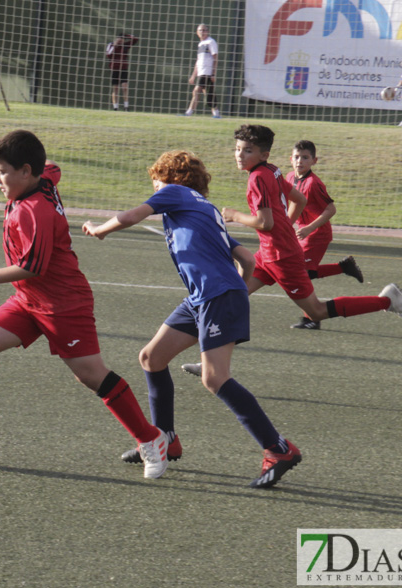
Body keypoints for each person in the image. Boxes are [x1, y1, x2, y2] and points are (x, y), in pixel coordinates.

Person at [0, 130, 172, 480]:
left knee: (91, 375)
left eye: (2, 172)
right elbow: (53, 167)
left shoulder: (34, 211)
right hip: (29, 299)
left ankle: (151, 438)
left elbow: (33, 266)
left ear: (25, 171)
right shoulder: (42, 179)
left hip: (63, 303)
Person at [82, 151, 301, 488]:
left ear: (169, 177)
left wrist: (100, 230)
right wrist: (235, 290)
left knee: (214, 378)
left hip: (215, 296)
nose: (154, 187)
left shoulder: (174, 192)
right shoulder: (204, 207)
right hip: (204, 297)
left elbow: (131, 216)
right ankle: (166, 439)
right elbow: (247, 259)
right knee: (151, 358)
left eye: (156, 179)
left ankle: (278, 448)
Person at [179, 125, 402, 374]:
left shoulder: (258, 177)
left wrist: (235, 216)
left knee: (315, 311)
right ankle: (210, 362)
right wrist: (285, 228)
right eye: (237, 149)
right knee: (231, 299)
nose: (239, 155)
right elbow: (299, 201)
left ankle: (386, 300)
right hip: (269, 254)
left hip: (281, 258)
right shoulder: (271, 171)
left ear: (263, 154)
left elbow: (265, 222)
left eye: (247, 150)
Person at [286, 140, 366, 329]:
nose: (300, 161)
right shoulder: (289, 177)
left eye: (305, 158)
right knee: (303, 272)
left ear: (314, 161)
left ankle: (312, 318)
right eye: (297, 157)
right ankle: (344, 267)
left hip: (317, 234)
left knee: (302, 274)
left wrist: (308, 228)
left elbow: (330, 210)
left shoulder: (313, 183)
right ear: (291, 159)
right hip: (303, 233)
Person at [183, 24, 220, 118]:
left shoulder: (211, 42)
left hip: (207, 72)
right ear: (197, 32)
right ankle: (216, 113)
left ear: (208, 31)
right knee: (207, 93)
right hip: (201, 72)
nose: (202, 32)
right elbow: (198, 61)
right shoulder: (200, 44)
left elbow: (215, 58)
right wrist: (193, 75)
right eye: (200, 30)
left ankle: (189, 112)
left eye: (204, 30)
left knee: (196, 91)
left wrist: (213, 73)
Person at [106, 32, 139, 111]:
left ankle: (126, 106)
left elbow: (135, 39)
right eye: (119, 39)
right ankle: (115, 107)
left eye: (122, 39)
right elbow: (108, 55)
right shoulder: (111, 45)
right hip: (114, 69)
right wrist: (115, 45)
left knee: (124, 87)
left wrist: (126, 35)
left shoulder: (125, 46)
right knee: (116, 88)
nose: (121, 41)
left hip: (123, 68)